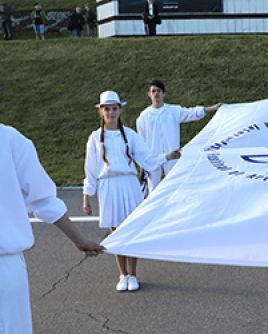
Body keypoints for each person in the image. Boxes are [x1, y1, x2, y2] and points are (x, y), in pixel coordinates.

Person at [0, 123, 103, 334]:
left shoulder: (9, 139)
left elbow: (44, 201)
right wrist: (79, 240)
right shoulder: (10, 139)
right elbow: (43, 199)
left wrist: (79, 239)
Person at [83, 90, 181, 292]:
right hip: (108, 187)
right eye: (107, 109)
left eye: (114, 108)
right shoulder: (94, 138)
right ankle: (122, 274)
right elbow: (90, 169)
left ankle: (133, 274)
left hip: (128, 184)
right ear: (101, 112)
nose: (111, 112)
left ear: (120, 110)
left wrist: (167, 157)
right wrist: (87, 197)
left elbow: (147, 158)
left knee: (132, 229)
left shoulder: (130, 134)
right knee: (115, 232)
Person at [136, 80, 222, 192]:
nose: (156, 94)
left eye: (159, 91)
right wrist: (144, 163)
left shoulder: (173, 111)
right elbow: (141, 142)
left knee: (174, 188)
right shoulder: (143, 117)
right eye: (153, 91)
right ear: (149, 94)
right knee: (153, 191)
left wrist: (213, 108)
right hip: (154, 159)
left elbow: (192, 113)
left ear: (164, 93)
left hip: (173, 156)